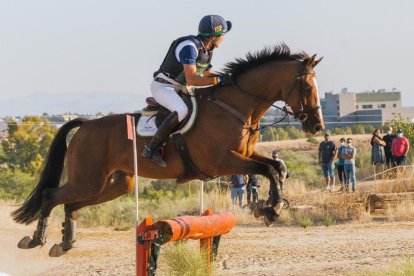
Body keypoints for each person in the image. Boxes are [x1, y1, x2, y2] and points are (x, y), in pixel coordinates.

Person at [141, 15, 233, 167]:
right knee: (182, 110)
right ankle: (151, 148)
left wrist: (225, 77)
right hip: (164, 87)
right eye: (222, 34)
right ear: (213, 36)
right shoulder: (189, 48)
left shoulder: (207, 49)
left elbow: (206, 73)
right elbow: (193, 79)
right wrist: (219, 81)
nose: (223, 38)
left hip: (179, 88)